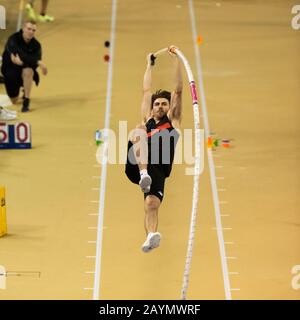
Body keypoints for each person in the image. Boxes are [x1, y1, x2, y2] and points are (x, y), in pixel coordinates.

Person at [125, 46, 182, 253]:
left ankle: (150, 236)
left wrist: (176, 61)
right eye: (156, 104)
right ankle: (142, 174)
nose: (159, 106)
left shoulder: (173, 122)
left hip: (158, 169)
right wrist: (149, 65)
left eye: (164, 104)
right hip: (138, 164)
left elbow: (178, 91)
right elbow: (146, 91)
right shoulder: (147, 120)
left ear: (169, 107)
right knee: (138, 131)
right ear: (152, 107)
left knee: (151, 204)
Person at [1, 20, 48, 112]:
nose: (31, 32)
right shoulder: (13, 39)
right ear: (23, 29)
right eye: (29, 29)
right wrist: (38, 62)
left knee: (28, 71)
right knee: (14, 100)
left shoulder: (36, 45)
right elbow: (17, 55)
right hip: (10, 72)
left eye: (33, 30)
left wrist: (24, 63)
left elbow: (31, 65)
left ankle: (26, 100)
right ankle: (19, 87)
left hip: (24, 71)